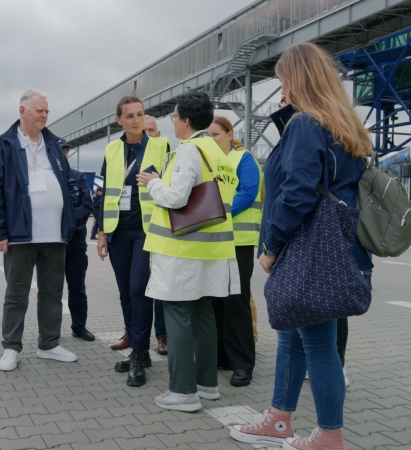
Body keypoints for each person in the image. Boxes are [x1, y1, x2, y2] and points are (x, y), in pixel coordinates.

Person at [230, 42, 372, 450]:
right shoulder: (343, 125)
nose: (281, 91)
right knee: (294, 335)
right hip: (335, 249)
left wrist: (272, 246)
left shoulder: (307, 124)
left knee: (319, 345)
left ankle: (329, 436)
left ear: (299, 79)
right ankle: (279, 419)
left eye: (283, 81)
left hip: (308, 249)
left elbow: (297, 193)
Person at [137, 91, 239, 411]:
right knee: (204, 315)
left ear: (184, 120)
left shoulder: (189, 150)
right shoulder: (218, 151)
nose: (173, 123)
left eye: (174, 117)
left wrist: (153, 183)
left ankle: (182, 391)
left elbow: (177, 198)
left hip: (181, 249)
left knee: (178, 314)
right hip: (211, 251)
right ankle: (207, 385)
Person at [0, 89, 79, 372]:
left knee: (52, 292)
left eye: (47, 111)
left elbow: (67, 184)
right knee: (17, 293)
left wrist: (70, 222)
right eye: (39, 110)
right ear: (22, 111)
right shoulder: (1, 145)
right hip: (20, 234)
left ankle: (49, 344)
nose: (44, 115)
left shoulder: (54, 144)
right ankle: (11, 347)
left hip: (54, 234)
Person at [97, 95, 170, 387]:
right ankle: (136, 345)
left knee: (140, 288)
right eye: (130, 116)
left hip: (147, 229)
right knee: (126, 291)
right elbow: (102, 193)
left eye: (140, 114)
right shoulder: (111, 150)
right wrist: (102, 231)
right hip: (118, 229)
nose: (137, 120)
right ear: (119, 120)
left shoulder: (161, 146)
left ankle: (140, 353)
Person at [207, 115, 262, 387]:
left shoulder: (244, 159)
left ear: (230, 134)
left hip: (238, 241)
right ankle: (221, 356)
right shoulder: (209, 162)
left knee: (236, 301)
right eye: (208, 136)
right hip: (215, 239)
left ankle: (242, 364)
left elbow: (248, 192)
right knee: (217, 299)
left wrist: (219, 213)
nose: (212, 139)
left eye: (216, 134)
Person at [59, 139, 96, 341]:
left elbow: (86, 205)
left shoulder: (78, 177)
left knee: (77, 288)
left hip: (75, 243)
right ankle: (50, 330)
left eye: (66, 151)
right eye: (60, 151)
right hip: (52, 245)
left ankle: (79, 326)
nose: (64, 154)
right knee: (51, 290)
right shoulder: (48, 178)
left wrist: (69, 223)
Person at [143, 115, 169, 355]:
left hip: (161, 232)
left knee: (159, 288)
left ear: (158, 134)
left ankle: (162, 336)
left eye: (151, 130)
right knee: (136, 288)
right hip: (137, 232)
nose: (148, 134)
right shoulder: (126, 155)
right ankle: (133, 332)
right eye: (144, 131)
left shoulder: (168, 156)